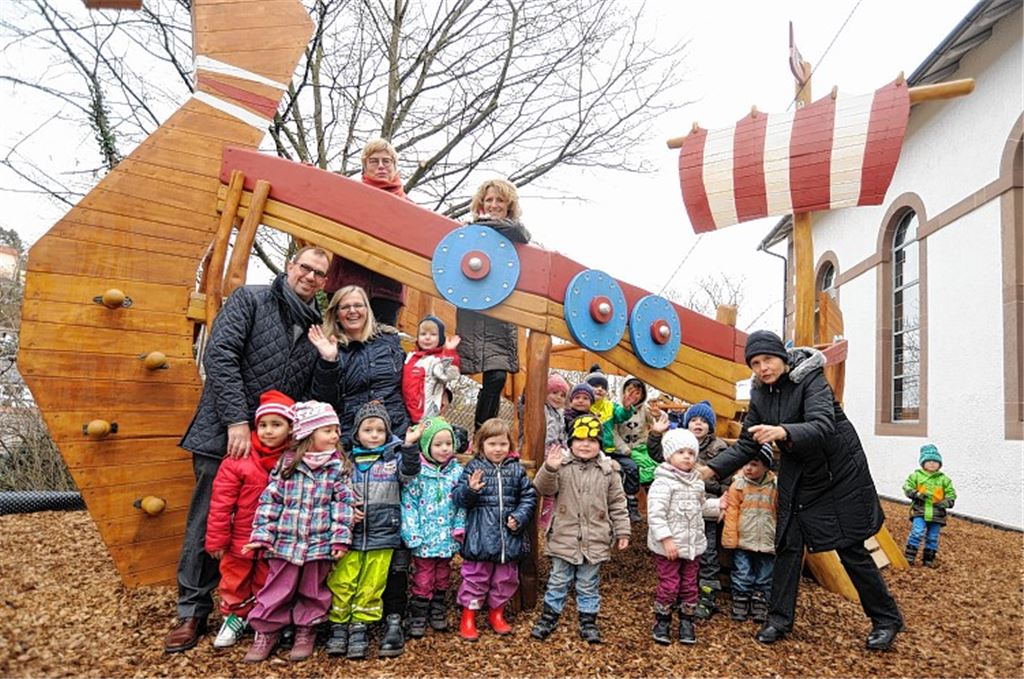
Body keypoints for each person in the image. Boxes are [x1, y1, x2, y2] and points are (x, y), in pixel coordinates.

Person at [166, 246, 329, 653]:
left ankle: (253, 612)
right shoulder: (251, 300)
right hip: (227, 434)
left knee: (263, 530)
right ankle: (192, 610)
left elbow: (309, 396)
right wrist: (236, 420)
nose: (309, 277)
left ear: (325, 283)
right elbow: (220, 356)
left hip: (275, 447)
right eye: (305, 268)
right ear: (291, 266)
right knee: (211, 519)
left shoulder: (314, 328)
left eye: (319, 274)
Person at [701, 330, 904, 651]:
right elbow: (745, 444)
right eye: (755, 362)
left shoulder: (811, 379)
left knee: (851, 548)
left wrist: (782, 431)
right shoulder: (760, 394)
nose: (763, 367)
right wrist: (710, 470)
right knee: (788, 544)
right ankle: (779, 619)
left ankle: (886, 619)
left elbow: (823, 425)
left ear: (782, 357)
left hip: (836, 471)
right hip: (798, 470)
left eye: (768, 359)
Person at [240, 401, 354, 663]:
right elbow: (270, 501)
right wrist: (262, 536)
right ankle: (267, 631)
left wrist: (340, 538)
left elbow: (344, 504)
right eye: (328, 430)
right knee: (277, 588)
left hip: (319, 543)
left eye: (336, 430)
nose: (335, 436)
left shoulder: (338, 467)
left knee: (313, 590)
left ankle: (307, 629)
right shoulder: (287, 465)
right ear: (308, 434)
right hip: (285, 542)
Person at [324, 402, 421, 660]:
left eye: (380, 430)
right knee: (343, 580)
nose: (375, 434)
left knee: (372, 584)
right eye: (368, 429)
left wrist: (410, 446)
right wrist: (346, 511)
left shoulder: (392, 459)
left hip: (383, 534)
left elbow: (410, 472)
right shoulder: (346, 462)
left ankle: (360, 628)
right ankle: (339, 626)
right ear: (357, 433)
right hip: (352, 535)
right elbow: (334, 494)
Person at [205, 390, 295, 649]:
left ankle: (262, 619)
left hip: (276, 538)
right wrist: (217, 539)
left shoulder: (294, 460)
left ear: (289, 428)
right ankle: (235, 617)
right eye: (263, 425)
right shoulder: (239, 459)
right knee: (235, 579)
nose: (268, 431)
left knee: (268, 579)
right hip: (241, 537)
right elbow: (221, 503)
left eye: (276, 425)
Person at [531, 414, 630, 644]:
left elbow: (617, 503)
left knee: (588, 583)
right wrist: (550, 468)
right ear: (571, 443)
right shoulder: (562, 466)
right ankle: (549, 616)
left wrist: (623, 531)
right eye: (580, 439)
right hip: (564, 536)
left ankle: (588, 620)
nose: (585, 445)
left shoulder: (609, 471)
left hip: (595, 538)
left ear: (600, 445)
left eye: (592, 441)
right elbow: (544, 488)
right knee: (558, 580)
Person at [456, 179, 531, 431]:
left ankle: (483, 432)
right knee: (472, 375)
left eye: (499, 200)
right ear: (481, 203)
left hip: (500, 312)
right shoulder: (469, 232)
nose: (494, 204)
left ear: (509, 205)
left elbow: (522, 235)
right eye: (489, 200)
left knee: (497, 375)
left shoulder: (514, 234)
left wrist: (483, 226)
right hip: (474, 312)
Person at [452, 418, 537, 641]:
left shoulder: (516, 471)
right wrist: (471, 490)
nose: (498, 449)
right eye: (492, 444)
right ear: (481, 445)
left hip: (508, 537)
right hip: (480, 535)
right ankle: (468, 616)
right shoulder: (473, 467)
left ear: (509, 445)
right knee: (475, 577)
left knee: (505, 578)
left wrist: (519, 517)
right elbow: (459, 498)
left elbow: (529, 497)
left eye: (502, 444)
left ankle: (496, 614)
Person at [645, 429, 722, 645]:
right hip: (668, 547)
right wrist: (666, 539)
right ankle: (663, 620)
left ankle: (687, 621)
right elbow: (655, 514)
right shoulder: (663, 483)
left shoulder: (697, 482)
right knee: (669, 584)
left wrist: (718, 506)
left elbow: (701, 506)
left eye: (691, 452)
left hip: (692, 545)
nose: (687, 456)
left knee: (689, 584)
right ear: (669, 455)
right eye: (681, 452)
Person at [323, 138, 407, 325]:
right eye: (374, 161)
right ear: (364, 166)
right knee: (342, 344)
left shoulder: (407, 205)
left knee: (380, 347)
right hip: (345, 283)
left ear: (394, 167)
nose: (381, 166)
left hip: (386, 291)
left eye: (387, 161)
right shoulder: (349, 195)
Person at [401, 417, 466, 637]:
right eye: (438, 444)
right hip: (424, 538)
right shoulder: (419, 473)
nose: (444, 449)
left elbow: (461, 506)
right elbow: (408, 504)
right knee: (423, 575)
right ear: (427, 446)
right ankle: (419, 611)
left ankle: (438, 608)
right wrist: (412, 533)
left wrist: (459, 529)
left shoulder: (457, 473)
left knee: (443, 573)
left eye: (448, 443)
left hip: (446, 536)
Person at [684, 399, 732, 620]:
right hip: (683, 506)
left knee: (707, 552)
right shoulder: (680, 444)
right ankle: (685, 591)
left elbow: (726, 475)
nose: (698, 424)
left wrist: (725, 498)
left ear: (711, 426)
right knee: (685, 549)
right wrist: (656, 435)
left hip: (709, 504)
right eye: (693, 419)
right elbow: (658, 454)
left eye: (704, 421)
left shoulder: (718, 447)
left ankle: (708, 594)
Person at [721, 444, 777, 623]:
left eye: (754, 464)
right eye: (745, 464)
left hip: (767, 539)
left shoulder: (775, 487)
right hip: (744, 538)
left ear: (766, 466)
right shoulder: (738, 485)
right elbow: (731, 513)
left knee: (765, 573)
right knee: (742, 571)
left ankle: (760, 600)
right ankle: (741, 598)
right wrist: (730, 537)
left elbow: (780, 512)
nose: (748, 468)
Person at [586, 365, 643, 522]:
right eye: (594, 386)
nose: (599, 389)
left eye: (602, 387)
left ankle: (631, 502)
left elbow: (621, 416)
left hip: (609, 450)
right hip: (589, 452)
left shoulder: (610, 406)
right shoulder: (584, 404)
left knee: (631, 467)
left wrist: (626, 407)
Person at [903, 443, 957, 568]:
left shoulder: (944, 480)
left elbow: (951, 494)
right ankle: (909, 556)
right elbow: (907, 487)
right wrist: (916, 494)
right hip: (920, 511)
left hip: (937, 514)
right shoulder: (916, 476)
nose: (932, 463)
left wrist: (947, 502)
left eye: (935, 461)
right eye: (929, 461)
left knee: (933, 537)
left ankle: (928, 559)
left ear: (940, 464)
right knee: (917, 532)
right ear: (923, 463)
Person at [403, 315, 461, 423]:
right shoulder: (411, 357)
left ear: (440, 338)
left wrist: (449, 352)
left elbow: (449, 374)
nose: (427, 337)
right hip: (406, 412)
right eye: (423, 334)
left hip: (428, 415)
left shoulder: (437, 360)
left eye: (433, 334)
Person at [612, 377, 657, 511]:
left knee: (657, 466)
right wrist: (625, 449)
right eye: (630, 391)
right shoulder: (616, 408)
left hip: (642, 447)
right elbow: (613, 432)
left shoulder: (645, 409)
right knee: (635, 467)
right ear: (623, 391)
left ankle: (652, 504)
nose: (633, 396)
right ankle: (632, 501)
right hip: (625, 449)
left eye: (637, 393)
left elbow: (656, 424)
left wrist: (659, 416)